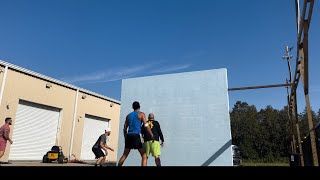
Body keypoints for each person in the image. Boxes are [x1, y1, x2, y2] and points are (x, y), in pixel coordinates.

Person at [118, 101, 154, 166]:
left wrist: (125, 138)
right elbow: (146, 125)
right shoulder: (141, 114)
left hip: (129, 136)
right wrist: (151, 134)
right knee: (144, 155)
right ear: (139, 107)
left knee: (124, 155)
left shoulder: (128, 116)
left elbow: (124, 129)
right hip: (137, 135)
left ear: (132, 107)